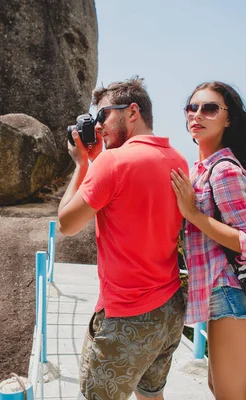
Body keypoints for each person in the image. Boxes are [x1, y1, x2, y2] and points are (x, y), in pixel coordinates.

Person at [58, 77, 188, 400]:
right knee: (151, 394)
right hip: (169, 311)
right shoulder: (178, 160)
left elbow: (66, 222)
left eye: (102, 116)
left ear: (132, 112)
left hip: (126, 319)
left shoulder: (111, 163)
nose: (98, 127)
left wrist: (82, 164)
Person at [170, 81, 246, 400]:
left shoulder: (223, 171)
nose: (197, 114)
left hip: (234, 294)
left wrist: (193, 214)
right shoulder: (201, 170)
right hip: (221, 293)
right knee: (220, 389)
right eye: (192, 107)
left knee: (230, 395)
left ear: (229, 119)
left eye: (210, 108)